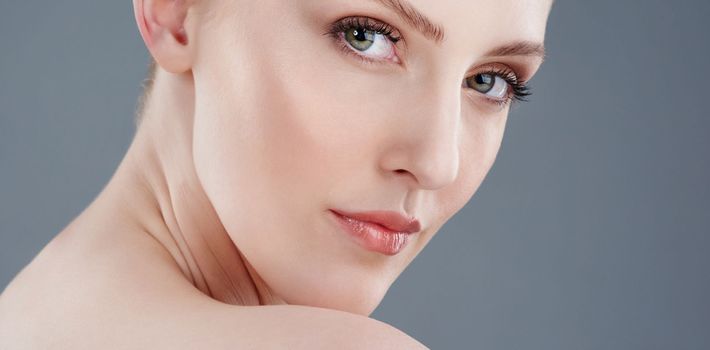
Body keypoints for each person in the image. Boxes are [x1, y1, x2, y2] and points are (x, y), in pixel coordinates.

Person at [0, 0, 554, 348]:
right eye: (366, 35)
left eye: (491, 81)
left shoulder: (28, 313)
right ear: (174, 13)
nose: (437, 162)